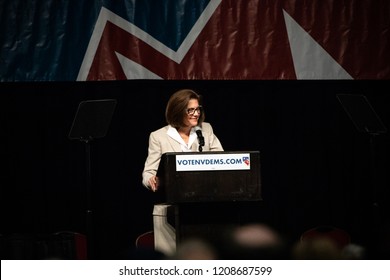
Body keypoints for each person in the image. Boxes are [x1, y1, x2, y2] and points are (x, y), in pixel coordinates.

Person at [142, 89, 224, 192]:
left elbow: (222, 160)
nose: (196, 114)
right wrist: (152, 180)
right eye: (190, 110)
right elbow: (148, 172)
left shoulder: (206, 129)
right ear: (178, 111)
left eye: (198, 109)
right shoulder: (158, 136)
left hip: (203, 195)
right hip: (173, 199)